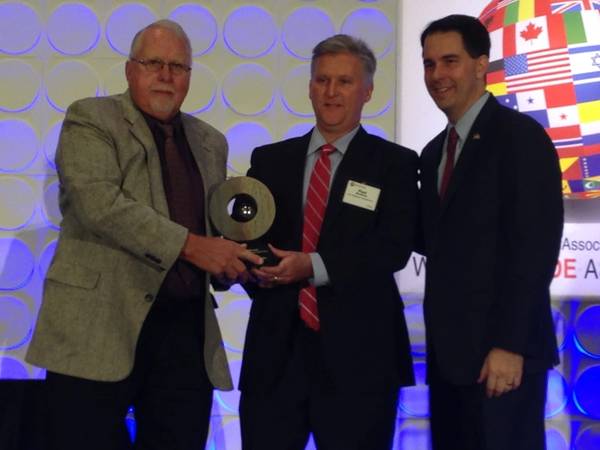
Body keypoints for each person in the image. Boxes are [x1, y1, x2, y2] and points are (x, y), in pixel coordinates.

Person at [26, 19, 261, 450]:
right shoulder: (90, 117)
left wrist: (229, 264)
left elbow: (209, 228)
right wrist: (196, 248)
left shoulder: (211, 141)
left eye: (178, 66)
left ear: (190, 77)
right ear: (130, 69)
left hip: (184, 334)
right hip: (97, 325)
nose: (166, 75)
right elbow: (101, 205)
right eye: (154, 63)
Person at [238, 34, 418, 450]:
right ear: (309, 87)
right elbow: (250, 239)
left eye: (344, 82)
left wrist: (312, 267)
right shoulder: (269, 160)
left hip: (361, 362)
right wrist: (256, 272)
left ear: (368, 90)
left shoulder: (395, 164)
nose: (331, 92)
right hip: (275, 359)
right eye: (322, 80)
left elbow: (392, 246)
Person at [418, 14, 564, 450]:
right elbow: (435, 240)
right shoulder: (432, 153)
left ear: (481, 65)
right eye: (429, 64)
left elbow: (534, 249)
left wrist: (509, 344)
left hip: (502, 360)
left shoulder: (521, 138)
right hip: (450, 363)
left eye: (450, 61)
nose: (437, 76)